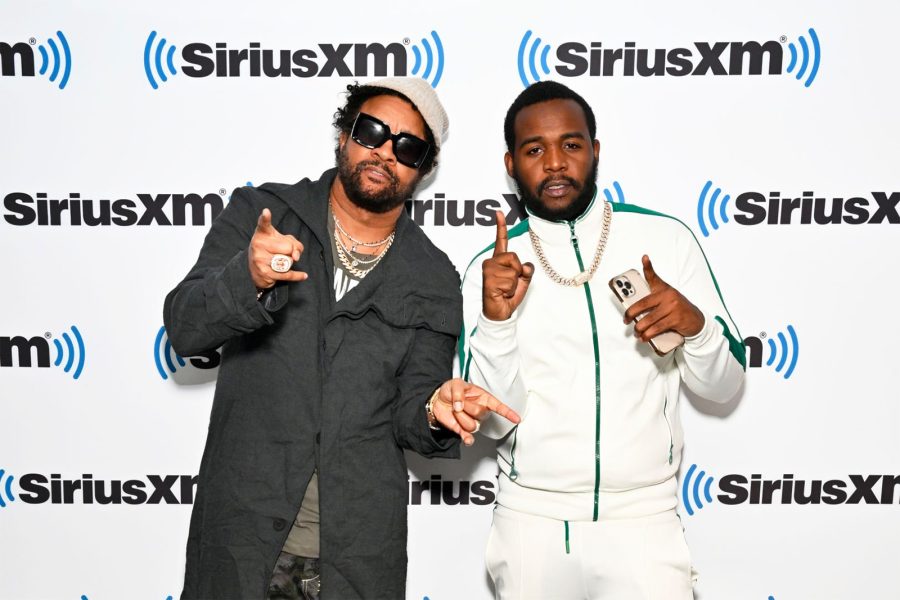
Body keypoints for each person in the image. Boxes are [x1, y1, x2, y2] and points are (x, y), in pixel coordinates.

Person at [164, 77, 519, 600]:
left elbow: (412, 414)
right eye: (371, 131)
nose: (385, 152)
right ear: (344, 134)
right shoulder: (263, 216)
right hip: (243, 540)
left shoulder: (433, 276)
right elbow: (185, 328)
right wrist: (249, 278)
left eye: (408, 147)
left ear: (423, 169)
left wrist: (434, 409)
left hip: (355, 556)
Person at [459, 81, 746, 599]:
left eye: (570, 144)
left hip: (645, 523)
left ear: (595, 150)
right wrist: (497, 322)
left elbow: (724, 387)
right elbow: (493, 422)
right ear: (510, 164)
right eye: (534, 150)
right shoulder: (491, 269)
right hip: (531, 526)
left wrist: (696, 327)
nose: (554, 164)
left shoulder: (666, 240)